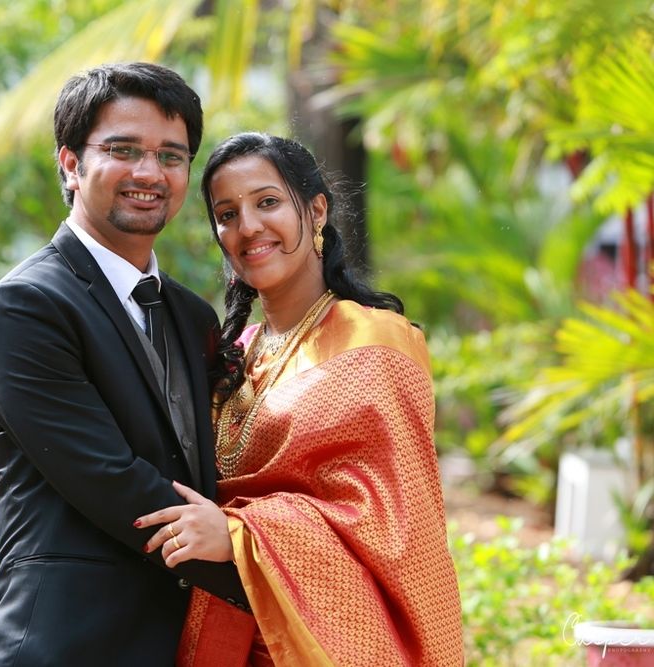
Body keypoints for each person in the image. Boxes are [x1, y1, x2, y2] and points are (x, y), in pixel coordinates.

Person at [135, 133, 465, 666]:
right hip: (229, 629)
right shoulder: (229, 354)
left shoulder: (374, 341)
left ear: (315, 212)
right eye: (226, 214)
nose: (248, 227)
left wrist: (241, 532)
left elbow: (391, 522)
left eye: (267, 202)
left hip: (328, 642)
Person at [0, 63, 249, 667]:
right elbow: (110, 479)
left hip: (178, 641)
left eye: (171, 157)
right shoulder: (28, 305)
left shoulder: (192, 314)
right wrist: (264, 565)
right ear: (71, 164)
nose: (149, 173)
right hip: (63, 642)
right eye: (124, 150)